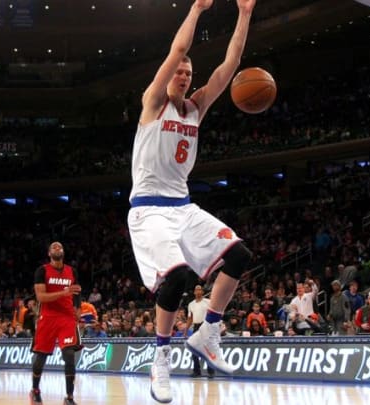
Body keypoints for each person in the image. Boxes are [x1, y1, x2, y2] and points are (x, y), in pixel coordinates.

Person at [125, 0, 256, 402]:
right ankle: (161, 358)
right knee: (178, 277)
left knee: (239, 255)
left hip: (182, 207)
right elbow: (177, 50)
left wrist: (245, 13)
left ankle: (208, 332)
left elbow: (230, 66)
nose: (183, 75)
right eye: (179, 72)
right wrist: (197, 9)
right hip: (148, 210)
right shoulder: (153, 103)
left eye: (188, 74)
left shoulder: (196, 108)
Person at [29, 242, 83, 405]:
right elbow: (41, 297)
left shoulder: (71, 271)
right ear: (49, 253)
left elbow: (77, 292)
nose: (57, 248)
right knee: (41, 357)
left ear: (63, 252)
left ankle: (69, 397)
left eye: (60, 247)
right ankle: (35, 390)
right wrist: (64, 292)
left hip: (67, 318)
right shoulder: (42, 271)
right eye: (54, 247)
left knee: (69, 355)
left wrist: (78, 308)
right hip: (48, 316)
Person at [186, 285, 214, 378]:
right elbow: (190, 318)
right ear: (194, 292)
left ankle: (211, 371)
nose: (198, 291)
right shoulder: (191, 304)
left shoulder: (208, 302)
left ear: (202, 292)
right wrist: (186, 330)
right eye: (196, 289)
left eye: (199, 289)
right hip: (196, 326)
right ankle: (197, 371)